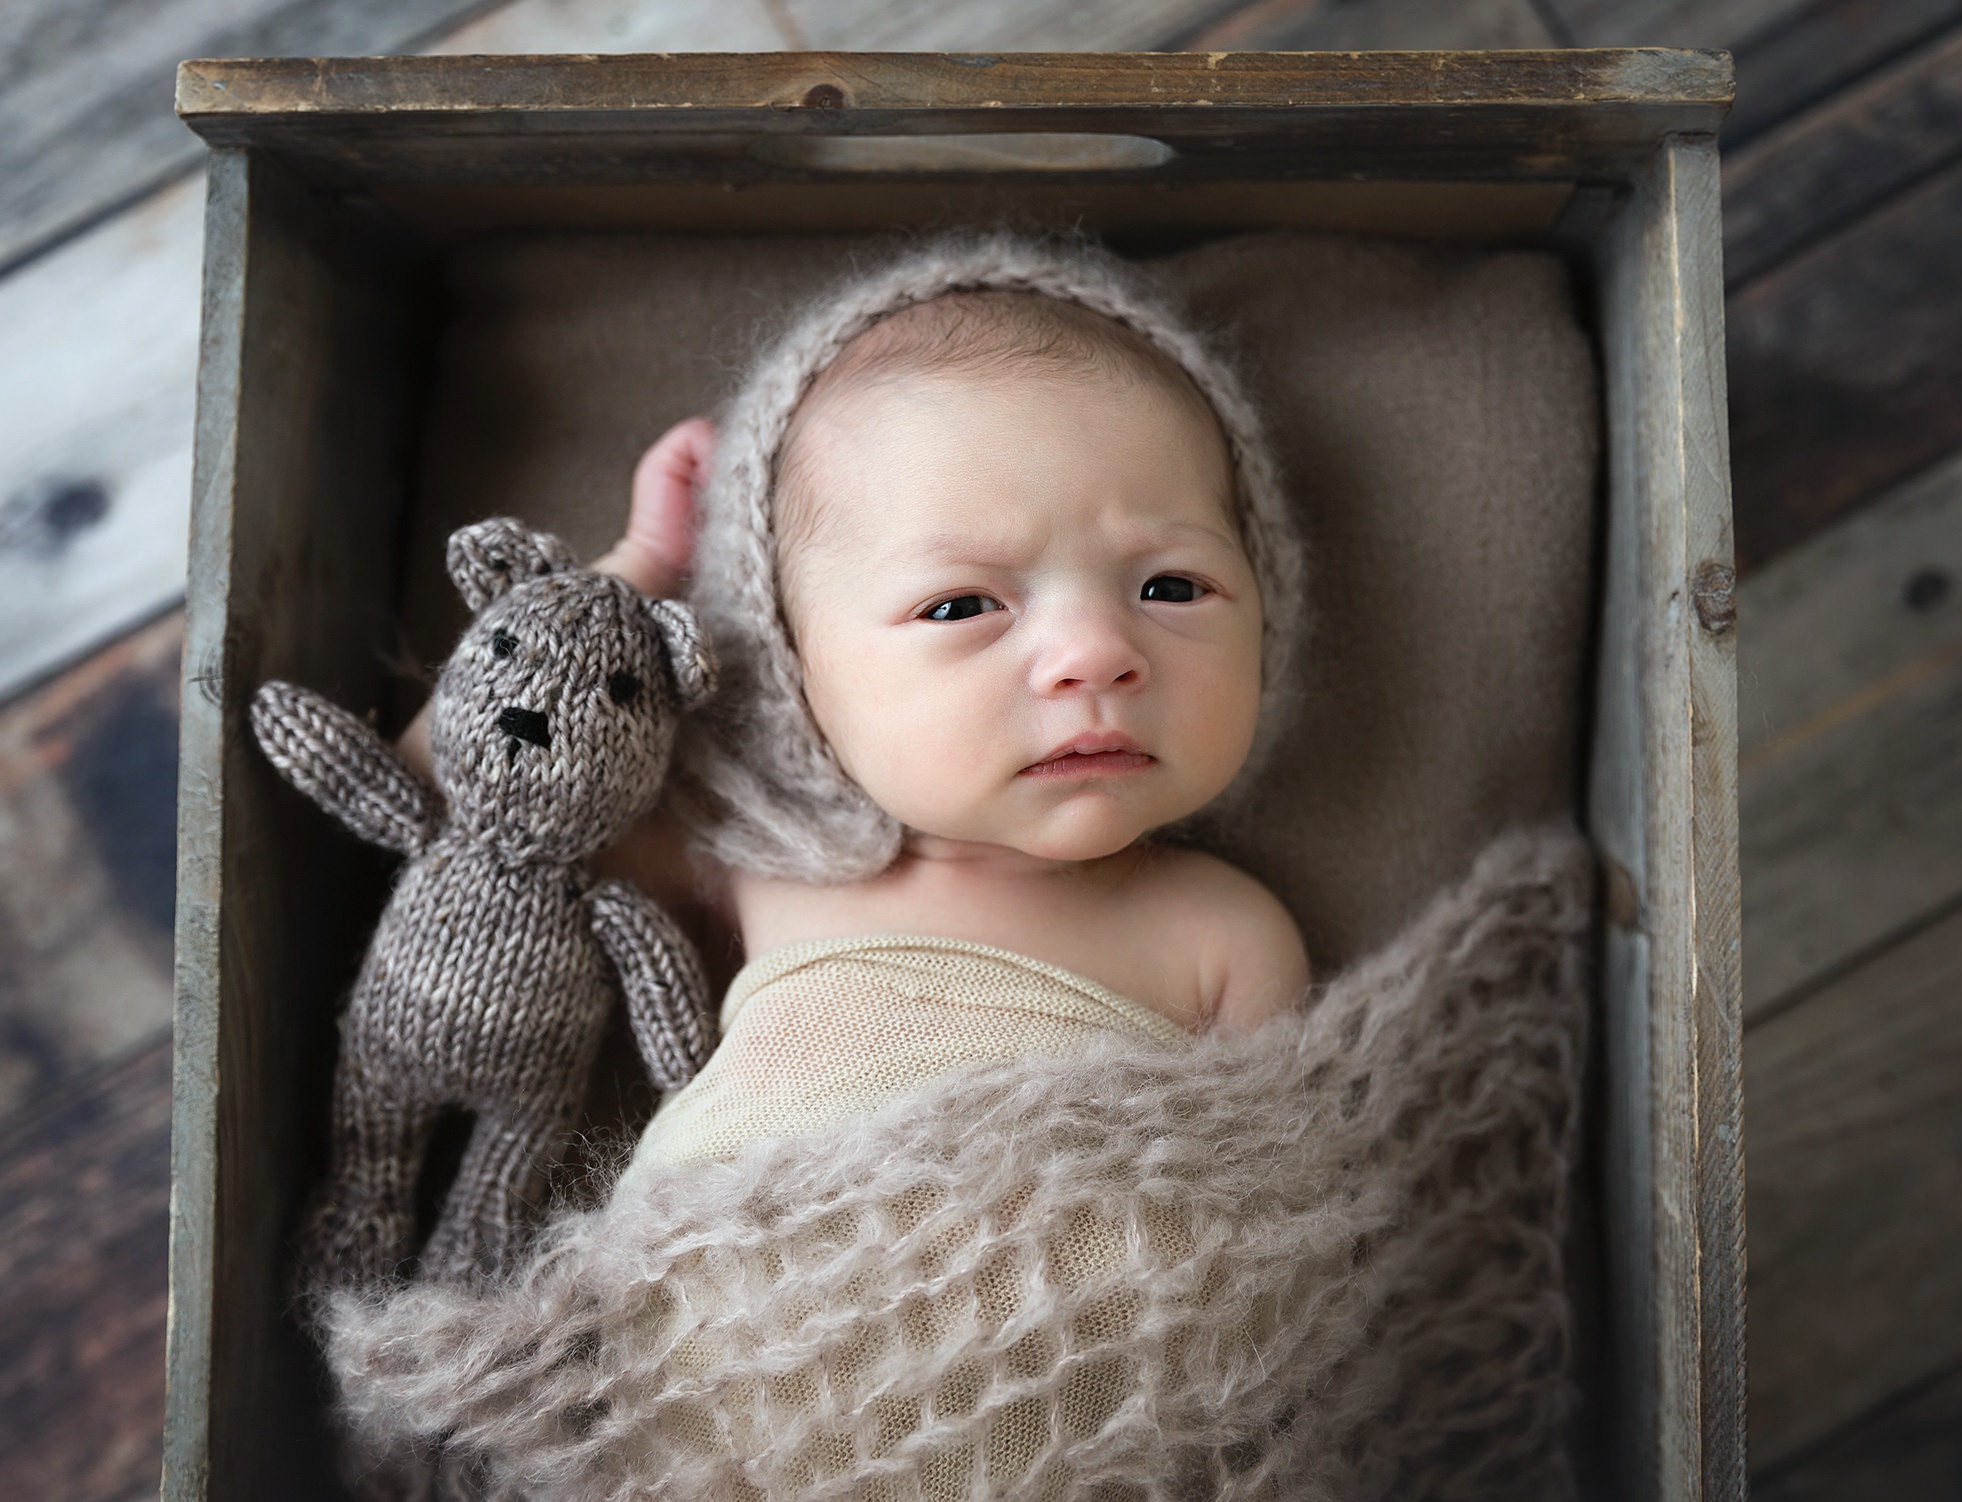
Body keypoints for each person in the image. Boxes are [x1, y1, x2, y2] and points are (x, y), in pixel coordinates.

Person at [400, 235, 1309, 1175]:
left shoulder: (1223, 934)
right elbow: (454, 794)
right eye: (960, 606)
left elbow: (1285, 1232)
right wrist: (632, 583)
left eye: (1171, 587)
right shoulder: (754, 867)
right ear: (792, 671)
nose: (1096, 654)